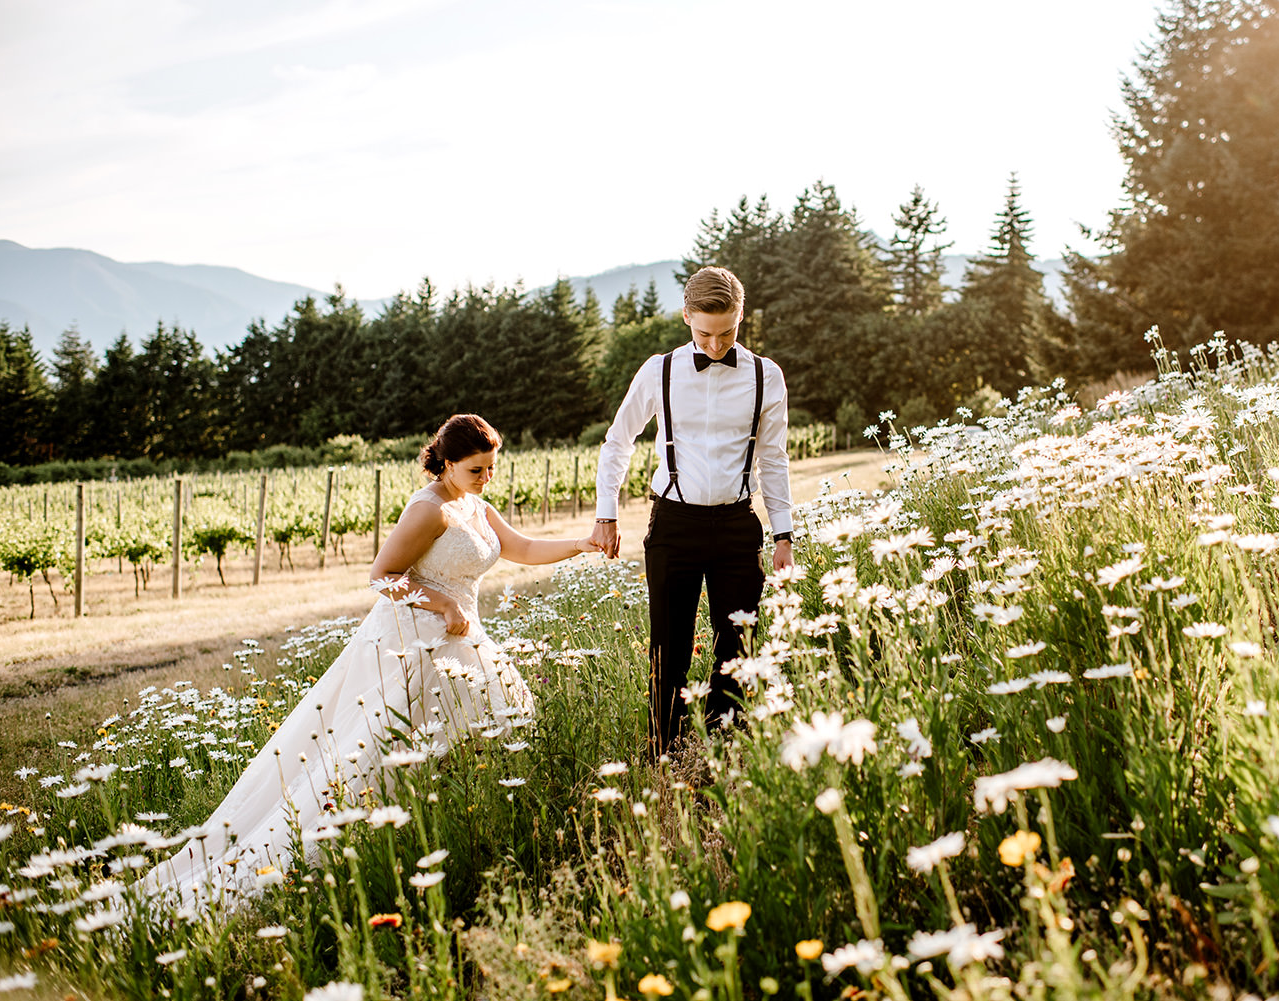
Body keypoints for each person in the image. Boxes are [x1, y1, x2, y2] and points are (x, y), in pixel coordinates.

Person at [143, 414, 599, 905]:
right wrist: (442, 602)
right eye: (476, 470)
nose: (487, 479)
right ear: (446, 464)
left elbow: (523, 548)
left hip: (461, 636)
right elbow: (382, 576)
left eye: (491, 469)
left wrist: (582, 542)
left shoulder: (476, 507)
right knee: (378, 747)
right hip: (412, 641)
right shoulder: (428, 511)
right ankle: (322, 855)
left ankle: (451, 832)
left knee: (492, 718)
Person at [590, 266, 794, 757]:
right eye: (704, 332)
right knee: (669, 649)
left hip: (737, 527)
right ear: (685, 317)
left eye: (727, 332)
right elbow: (619, 441)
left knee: (738, 646)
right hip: (673, 525)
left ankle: (721, 746)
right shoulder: (658, 371)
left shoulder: (766, 376)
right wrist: (606, 513)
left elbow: (774, 458)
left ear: (741, 316)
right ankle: (667, 752)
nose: (716, 345)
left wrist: (784, 534)